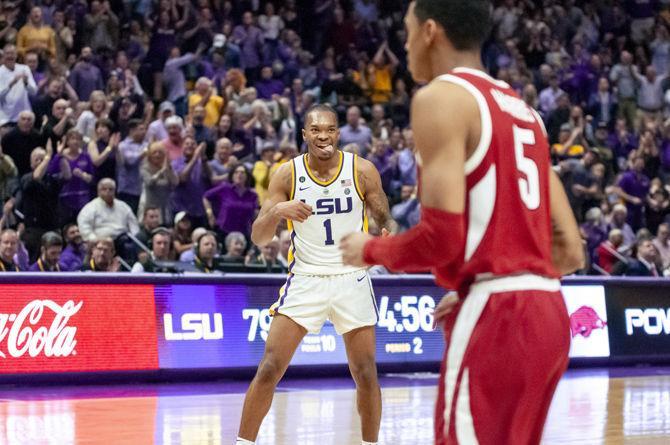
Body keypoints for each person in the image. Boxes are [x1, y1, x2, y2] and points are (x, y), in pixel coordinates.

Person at [339, 2, 584, 445]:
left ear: (430, 31)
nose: (406, 43)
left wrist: (369, 249)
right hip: (548, 313)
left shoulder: (441, 98)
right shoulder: (525, 112)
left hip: (499, 319)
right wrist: (485, 282)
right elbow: (569, 251)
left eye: (407, 30)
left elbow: (442, 238)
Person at [236, 104, 394, 445]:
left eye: (330, 129)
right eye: (316, 130)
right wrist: (278, 210)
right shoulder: (287, 175)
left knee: (366, 373)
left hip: (351, 277)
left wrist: (389, 234)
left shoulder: (362, 170)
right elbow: (258, 237)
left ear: (338, 133)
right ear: (304, 134)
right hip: (306, 278)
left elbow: (385, 217)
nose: (324, 135)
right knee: (269, 368)